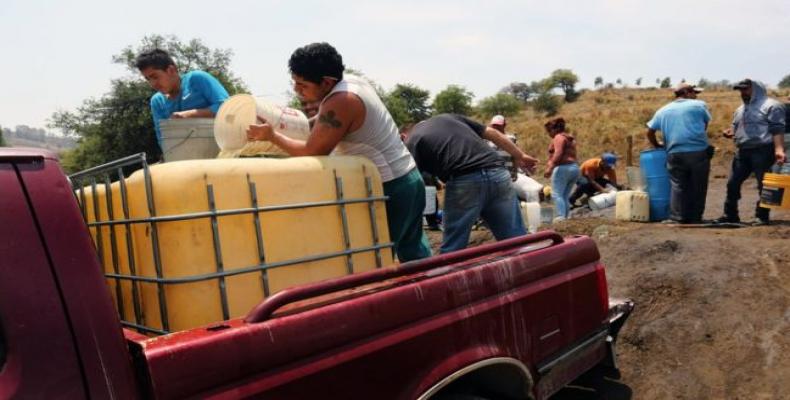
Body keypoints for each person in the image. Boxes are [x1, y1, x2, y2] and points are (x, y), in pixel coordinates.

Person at [245, 42, 431, 262]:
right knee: (414, 255)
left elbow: (310, 152)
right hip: (408, 179)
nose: (297, 90)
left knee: (375, 259)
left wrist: (272, 137)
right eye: (294, 83)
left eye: (302, 85)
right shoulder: (351, 82)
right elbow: (323, 122)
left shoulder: (342, 101)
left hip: (391, 188)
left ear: (326, 82)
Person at [404, 114, 538, 253]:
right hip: (498, 173)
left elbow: (412, 179)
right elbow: (492, 133)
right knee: (515, 240)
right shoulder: (449, 118)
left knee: (454, 246)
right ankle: (527, 269)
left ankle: (450, 272)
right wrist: (520, 155)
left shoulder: (413, 140)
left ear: (405, 134)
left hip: (464, 180)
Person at [715, 79, 786, 226]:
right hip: (743, 151)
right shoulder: (740, 110)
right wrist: (730, 132)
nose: (742, 93)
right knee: (732, 183)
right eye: (740, 90)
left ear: (756, 89)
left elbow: (777, 129)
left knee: (764, 185)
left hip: (763, 150)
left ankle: (762, 216)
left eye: (746, 89)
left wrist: (779, 149)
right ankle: (730, 215)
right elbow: (735, 127)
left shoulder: (772, 106)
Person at [135, 49, 230, 149]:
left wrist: (190, 115)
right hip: (186, 158)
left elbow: (228, 108)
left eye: (155, 77)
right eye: (148, 79)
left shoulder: (197, 79)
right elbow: (163, 139)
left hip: (222, 151)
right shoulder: (157, 102)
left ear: (171, 70)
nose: (152, 84)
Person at [645, 82, 713, 224]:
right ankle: (695, 218)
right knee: (698, 185)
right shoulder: (699, 105)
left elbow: (649, 131)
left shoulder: (662, 110)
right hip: (698, 152)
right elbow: (704, 125)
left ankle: (678, 217)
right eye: (694, 93)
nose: (696, 96)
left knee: (677, 186)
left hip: (674, 153)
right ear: (687, 93)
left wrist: (657, 144)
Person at [543, 117, 580, 221]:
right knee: (564, 195)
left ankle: (560, 216)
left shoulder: (558, 137)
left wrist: (550, 167)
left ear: (554, 129)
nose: (549, 134)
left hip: (563, 169)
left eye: (549, 131)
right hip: (574, 168)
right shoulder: (570, 138)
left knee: (556, 194)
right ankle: (566, 217)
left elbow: (558, 153)